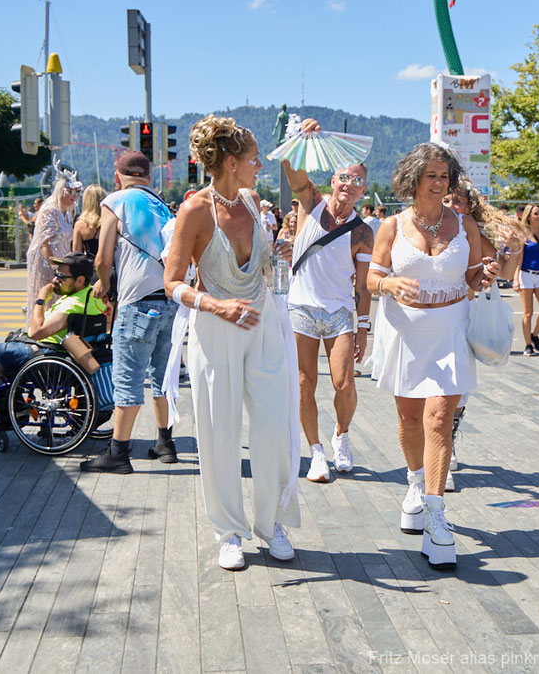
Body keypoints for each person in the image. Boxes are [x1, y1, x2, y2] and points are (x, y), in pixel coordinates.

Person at [164, 114, 300, 571]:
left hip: (261, 323)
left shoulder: (251, 199)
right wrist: (214, 306)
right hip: (216, 330)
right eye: (253, 159)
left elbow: (260, 264)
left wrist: (275, 251)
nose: (258, 166)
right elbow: (172, 283)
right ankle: (228, 530)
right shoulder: (195, 210)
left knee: (271, 427)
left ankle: (271, 521)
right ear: (229, 161)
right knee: (219, 432)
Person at [367, 143, 497, 570]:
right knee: (408, 418)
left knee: (440, 418)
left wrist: (487, 273)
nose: (439, 183)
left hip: (451, 329)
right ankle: (415, 483)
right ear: (414, 179)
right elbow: (372, 277)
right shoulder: (391, 225)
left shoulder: (465, 225)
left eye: (445, 176)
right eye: (432, 176)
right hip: (406, 331)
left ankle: (437, 515)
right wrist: (389, 286)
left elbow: (475, 277)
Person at [281, 117, 373, 483]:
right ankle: (316, 452)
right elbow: (292, 170)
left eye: (357, 181)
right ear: (333, 181)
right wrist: (299, 138)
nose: (349, 185)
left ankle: (341, 435)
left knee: (344, 384)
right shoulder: (311, 203)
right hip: (301, 307)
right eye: (344, 178)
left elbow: (364, 288)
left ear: (364, 189)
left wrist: (363, 327)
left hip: (338, 312)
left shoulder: (364, 232)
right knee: (304, 383)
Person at [81, 151, 179, 473]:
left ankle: (118, 453)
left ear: (117, 176)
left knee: (128, 378)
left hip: (138, 303)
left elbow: (102, 259)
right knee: (163, 377)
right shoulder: (162, 205)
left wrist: (103, 285)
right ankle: (165, 442)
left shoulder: (116, 200)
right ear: (149, 178)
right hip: (170, 303)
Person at [441, 181, 524, 490]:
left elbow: (503, 269)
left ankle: (447, 441)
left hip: (465, 316)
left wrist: (512, 245)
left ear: (469, 206)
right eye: (446, 199)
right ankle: (437, 455)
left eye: (457, 201)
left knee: (458, 390)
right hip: (433, 319)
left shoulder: (471, 230)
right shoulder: (426, 228)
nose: (450, 205)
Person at [0, 252, 106, 420]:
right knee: (13, 340)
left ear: (79, 280)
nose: (55, 280)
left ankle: (8, 407)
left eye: (61, 277)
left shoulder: (71, 305)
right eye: (56, 274)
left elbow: (36, 332)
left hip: (50, 354)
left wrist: (41, 299)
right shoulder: (92, 297)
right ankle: (14, 400)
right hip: (72, 353)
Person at [26, 169, 80, 315]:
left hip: (61, 266)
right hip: (49, 266)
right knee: (48, 302)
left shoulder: (67, 214)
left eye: (77, 192)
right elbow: (45, 243)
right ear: (61, 190)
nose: (74, 196)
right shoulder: (49, 210)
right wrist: (55, 266)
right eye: (71, 191)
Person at [512, 204, 539, 356]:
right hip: (526, 274)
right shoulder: (523, 233)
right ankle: (528, 345)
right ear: (529, 216)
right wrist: (516, 279)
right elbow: (519, 258)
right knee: (528, 313)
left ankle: (534, 335)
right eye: (536, 213)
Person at [73, 184, 108, 257]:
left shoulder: (80, 225)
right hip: (110, 265)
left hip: (89, 266)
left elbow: (76, 254)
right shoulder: (109, 222)